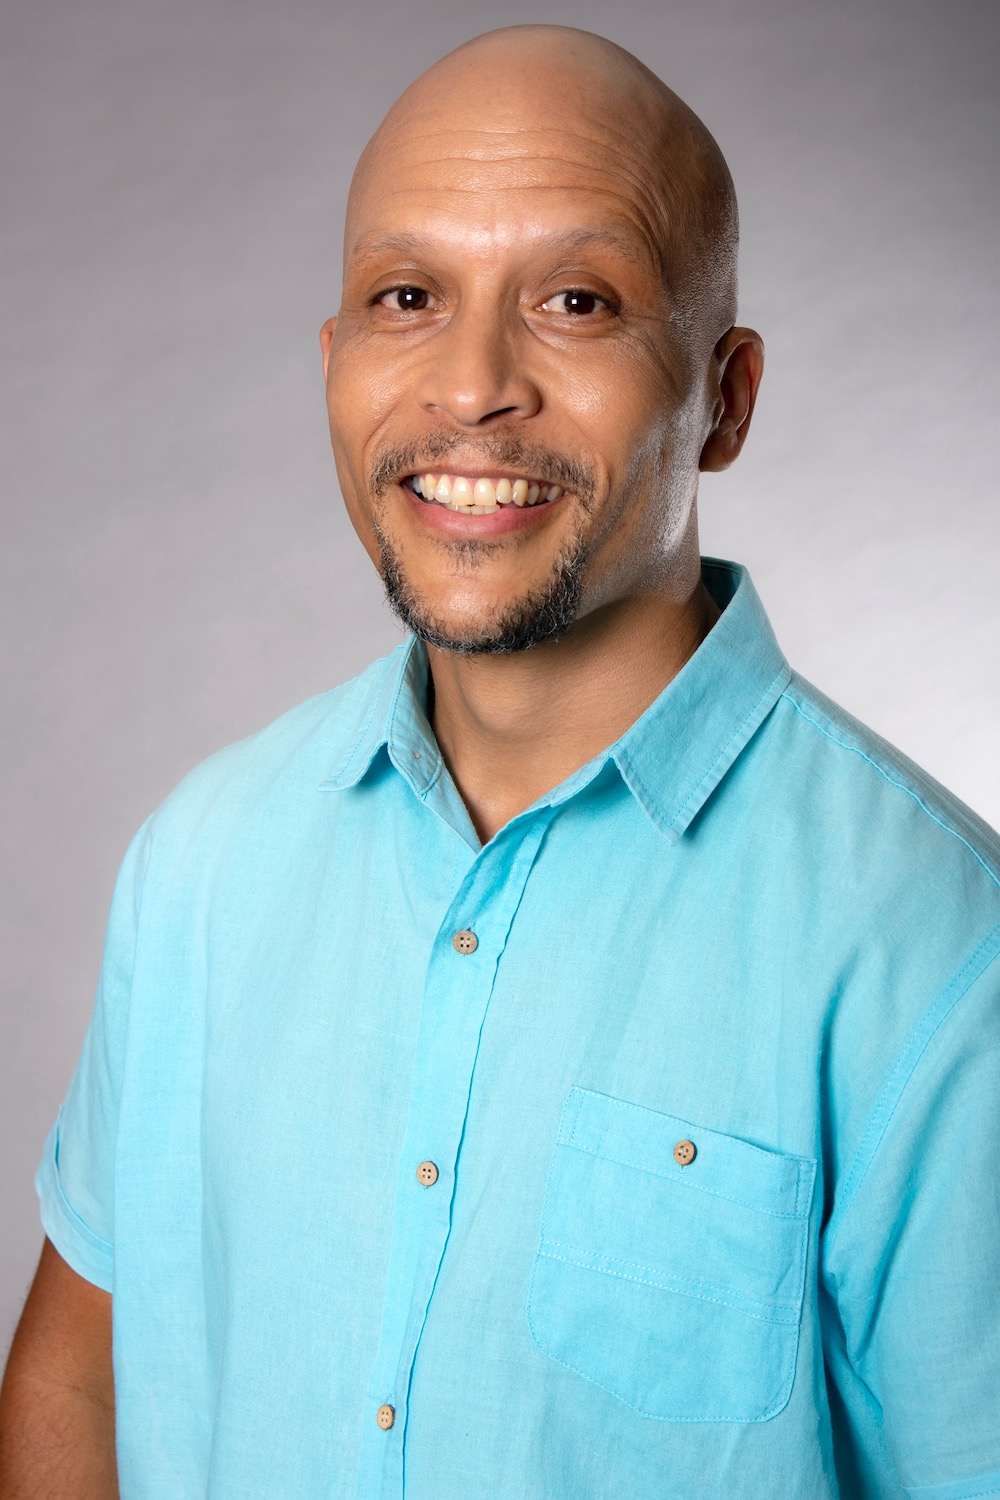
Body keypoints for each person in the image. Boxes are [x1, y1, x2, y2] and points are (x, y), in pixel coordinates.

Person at [1, 22, 998, 1500]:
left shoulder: (942, 951)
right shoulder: (202, 863)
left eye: (576, 302)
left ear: (724, 399)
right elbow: (78, 1374)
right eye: (407, 298)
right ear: (334, 362)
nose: (470, 387)